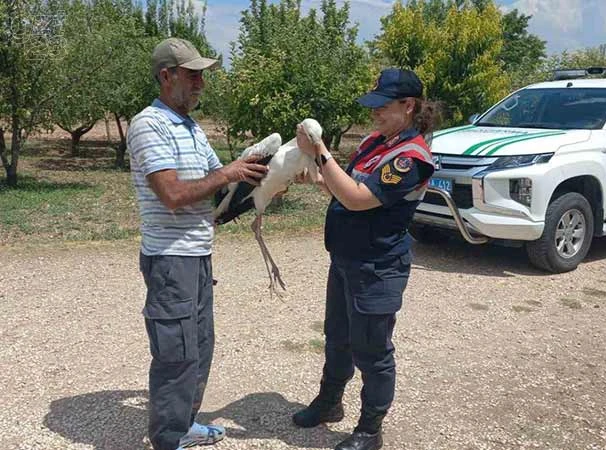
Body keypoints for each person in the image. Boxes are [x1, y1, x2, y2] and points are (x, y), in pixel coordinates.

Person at [127, 38, 269, 450]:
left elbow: (219, 192)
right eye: (192, 75)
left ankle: (183, 424)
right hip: (171, 260)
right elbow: (172, 195)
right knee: (176, 353)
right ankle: (168, 438)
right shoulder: (148, 125)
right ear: (166, 76)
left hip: (198, 254)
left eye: (202, 75)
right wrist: (228, 174)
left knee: (200, 346)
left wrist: (263, 183)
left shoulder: (190, 127)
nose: (201, 84)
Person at [293, 68, 441, 450]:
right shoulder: (377, 141)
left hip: (377, 267)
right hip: (346, 258)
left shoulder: (411, 158)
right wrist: (318, 177)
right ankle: (329, 403)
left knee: (372, 352)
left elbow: (360, 198)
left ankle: (370, 429)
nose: (373, 114)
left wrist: (320, 151)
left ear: (408, 107)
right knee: (337, 338)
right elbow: (348, 189)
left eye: (382, 106)